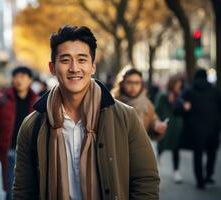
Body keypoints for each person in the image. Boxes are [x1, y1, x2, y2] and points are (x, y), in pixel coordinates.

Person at [13, 25, 159, 200]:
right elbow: (23, 190)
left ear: (93, 66)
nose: (74, 68)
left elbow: (146, 180)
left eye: (82, 60)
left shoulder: (125, 117)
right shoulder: (33, 126)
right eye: (65, 60)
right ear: (52, 67)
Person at [0, 66, 38, 199]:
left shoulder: (38, 102)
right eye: (16, 76)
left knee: (32, 191)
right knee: (12, 191)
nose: (19, 80)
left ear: (30, 80)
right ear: (12, 79)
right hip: (9, 152)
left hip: (32, 153)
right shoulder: (1, 100)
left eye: (23, 77)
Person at [175, 69, 221, 189]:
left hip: (195, 129)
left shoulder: (189, 91)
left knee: (198, 154)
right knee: (212, 152)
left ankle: (200, 181)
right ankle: (209, 174)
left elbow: (178, 106)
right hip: (213, 128)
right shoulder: (215, 90)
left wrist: (185, 107)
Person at [111, 68, 167, 141]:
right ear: (122, 83)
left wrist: (157, 127)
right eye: (129, 82)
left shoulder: (147, 104)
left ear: (141, 84)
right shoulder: (112, 103)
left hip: (139, 148)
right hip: (117, 148)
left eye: (137, 83)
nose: (133, 86)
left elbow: (153, 121)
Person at [155, 75, 184, 183]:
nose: (179, 86)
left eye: (179, 85)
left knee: (176, 148)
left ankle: (176, 172)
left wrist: (183, 105)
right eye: (177, 84)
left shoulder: (180, 95)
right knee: (161, 145)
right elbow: (157, 109)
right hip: (165, 125)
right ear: (172, 84)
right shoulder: (163, 95)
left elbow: (181, 110)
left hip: (177, 126)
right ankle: (158, 161)